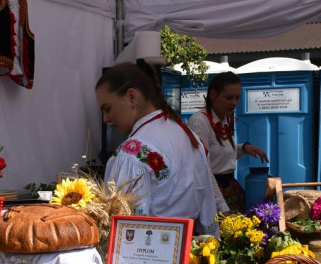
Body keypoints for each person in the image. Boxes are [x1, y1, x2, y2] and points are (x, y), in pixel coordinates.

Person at [98, 61, 221, 235]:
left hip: (152, 256)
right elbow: (208, 213)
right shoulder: (189, 136)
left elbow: (128, 232)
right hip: (192, 253)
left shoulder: (132, 152)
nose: (106, 119)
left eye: (108, 108)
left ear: (132, 97)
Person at [186, 71, 269, 212]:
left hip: (229, 189)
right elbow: (203, 168)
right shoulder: (199, 122)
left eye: (237, 98)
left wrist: (244, 148)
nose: (234, 103)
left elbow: (220, 153)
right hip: (210, 193)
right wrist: (221, 206)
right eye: (229, 98)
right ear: (213, 95)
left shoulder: (226, 118)